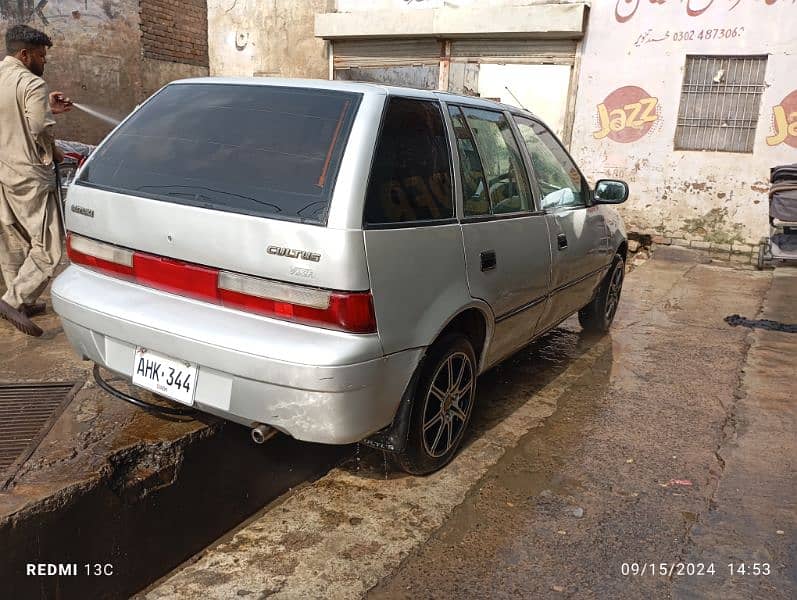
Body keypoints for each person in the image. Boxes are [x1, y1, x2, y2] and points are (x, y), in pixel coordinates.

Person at [0, 24, 72, 337]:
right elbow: (40, 128)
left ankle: (22, 301)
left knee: (14, 240)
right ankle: (13, 300)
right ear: (25, 54)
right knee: (50, 247)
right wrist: (55, 153)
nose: (44, 63)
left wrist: (46, 105)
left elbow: (15, 114)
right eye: (42, 57)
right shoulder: (32, 84)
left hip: (3, 171)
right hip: (29, 175)